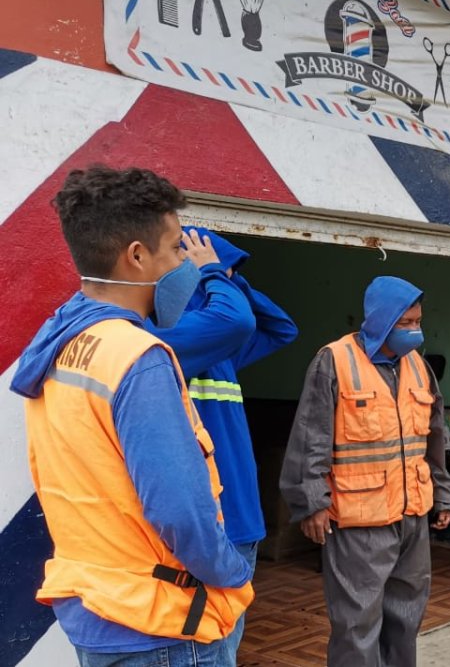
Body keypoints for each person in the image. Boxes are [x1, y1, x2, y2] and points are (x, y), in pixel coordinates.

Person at [11, 166, 253, 666]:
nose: (183, 261)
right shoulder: (138, 356)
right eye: (176, 248)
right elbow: (180, 511)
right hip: (160, 624)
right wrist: (233, 571)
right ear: (138, 256)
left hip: (97, 608)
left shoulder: (61, 343)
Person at [280, 276, 450, 667]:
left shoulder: (419, 367)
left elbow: (433, 438)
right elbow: (310, 436)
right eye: (406, 323)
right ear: (381, 320)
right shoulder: (334, 361)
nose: (415, 331)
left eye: (418, 322)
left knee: (406, 616)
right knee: (356, 623)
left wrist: (444, 494)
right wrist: (312, 503)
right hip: (359, 519)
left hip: (412, 516)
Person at [147, 227, 298, 659]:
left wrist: (228, 277)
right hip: (205, 526)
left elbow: (282, 328)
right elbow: (237, 321)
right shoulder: (164, 340)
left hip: (242, 522)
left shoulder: (223, 352)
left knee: (226, 643)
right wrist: (214, 273)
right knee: (207, 648)